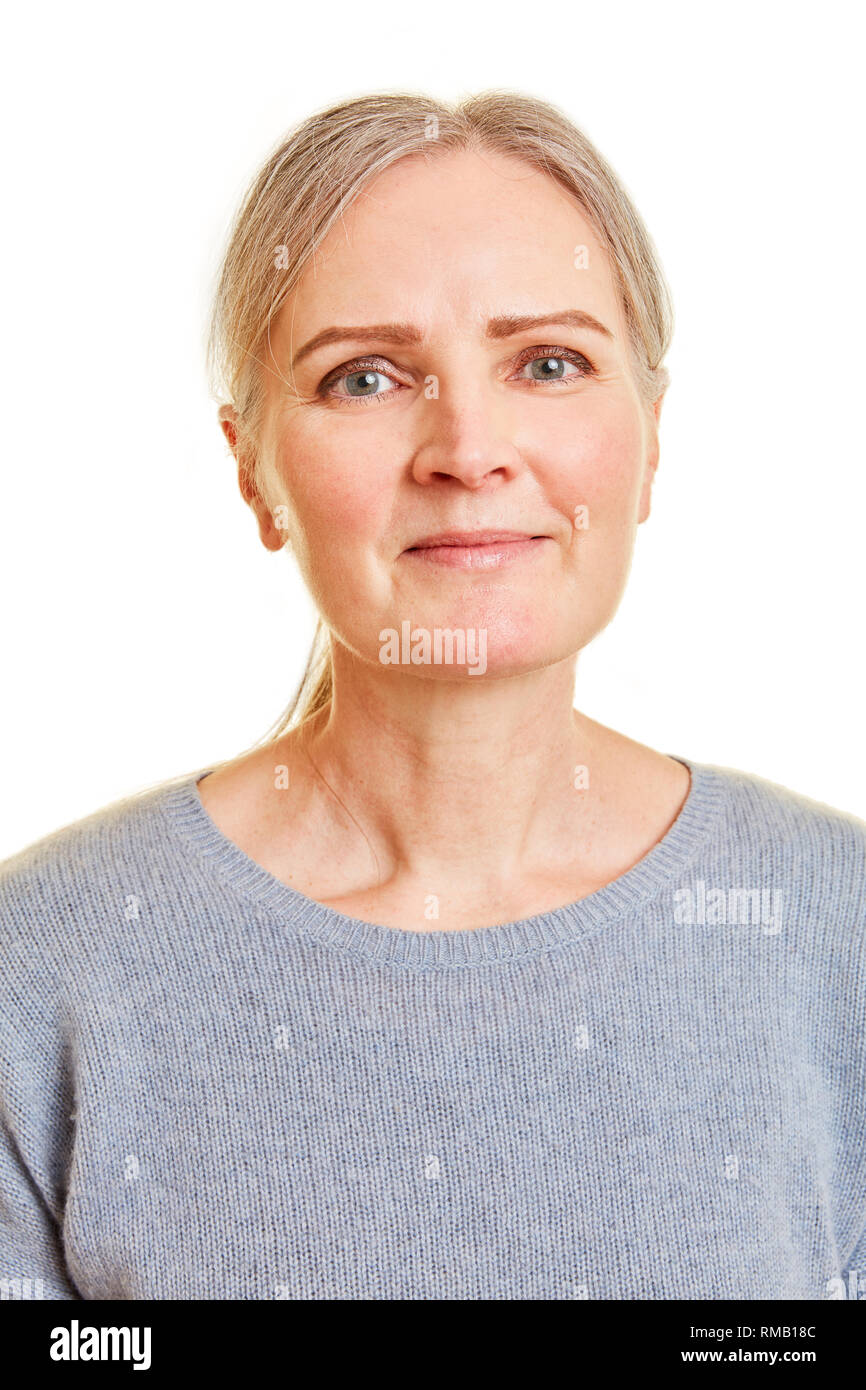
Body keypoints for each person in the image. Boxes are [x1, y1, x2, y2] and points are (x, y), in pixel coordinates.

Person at [1, 91, 864, 1302]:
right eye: (364, 377)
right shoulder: (42, 971)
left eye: (548, 363)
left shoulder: (835, 932)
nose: (467, 446)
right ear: (251, 466)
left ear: (651, 439)